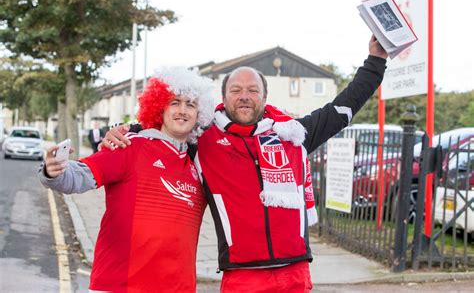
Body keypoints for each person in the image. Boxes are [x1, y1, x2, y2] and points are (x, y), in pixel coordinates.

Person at [103, 35, 388, 292]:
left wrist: (376, 60)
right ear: (223, 97)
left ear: (264, 97)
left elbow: (341, 110)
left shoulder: (292, 134)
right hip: (243, 277)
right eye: (236, 90)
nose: (244, 96)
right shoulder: (204, 140)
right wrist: (126, 130)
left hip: (296, 272)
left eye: (253, 90)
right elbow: (168, 127)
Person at [38, 68, 214, 292]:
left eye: (190, 104)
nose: (182, 110)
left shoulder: (199, 166)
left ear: (199, 114)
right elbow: (81, 175)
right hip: (118, 285)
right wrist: (55, 171)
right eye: (174, 102)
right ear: (160, 107)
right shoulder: (129, 146)